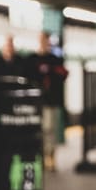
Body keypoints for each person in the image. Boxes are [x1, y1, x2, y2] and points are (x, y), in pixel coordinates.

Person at [26, 31, 68, 171]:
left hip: (51, 101)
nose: (44, 43)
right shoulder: (32, 59)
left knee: (50, 129)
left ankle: (50, 155)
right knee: (40, 130)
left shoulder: (55, 59)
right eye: (42, 40)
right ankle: (42, 155)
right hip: (36, 101)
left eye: (46, 40)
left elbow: (63, 75)